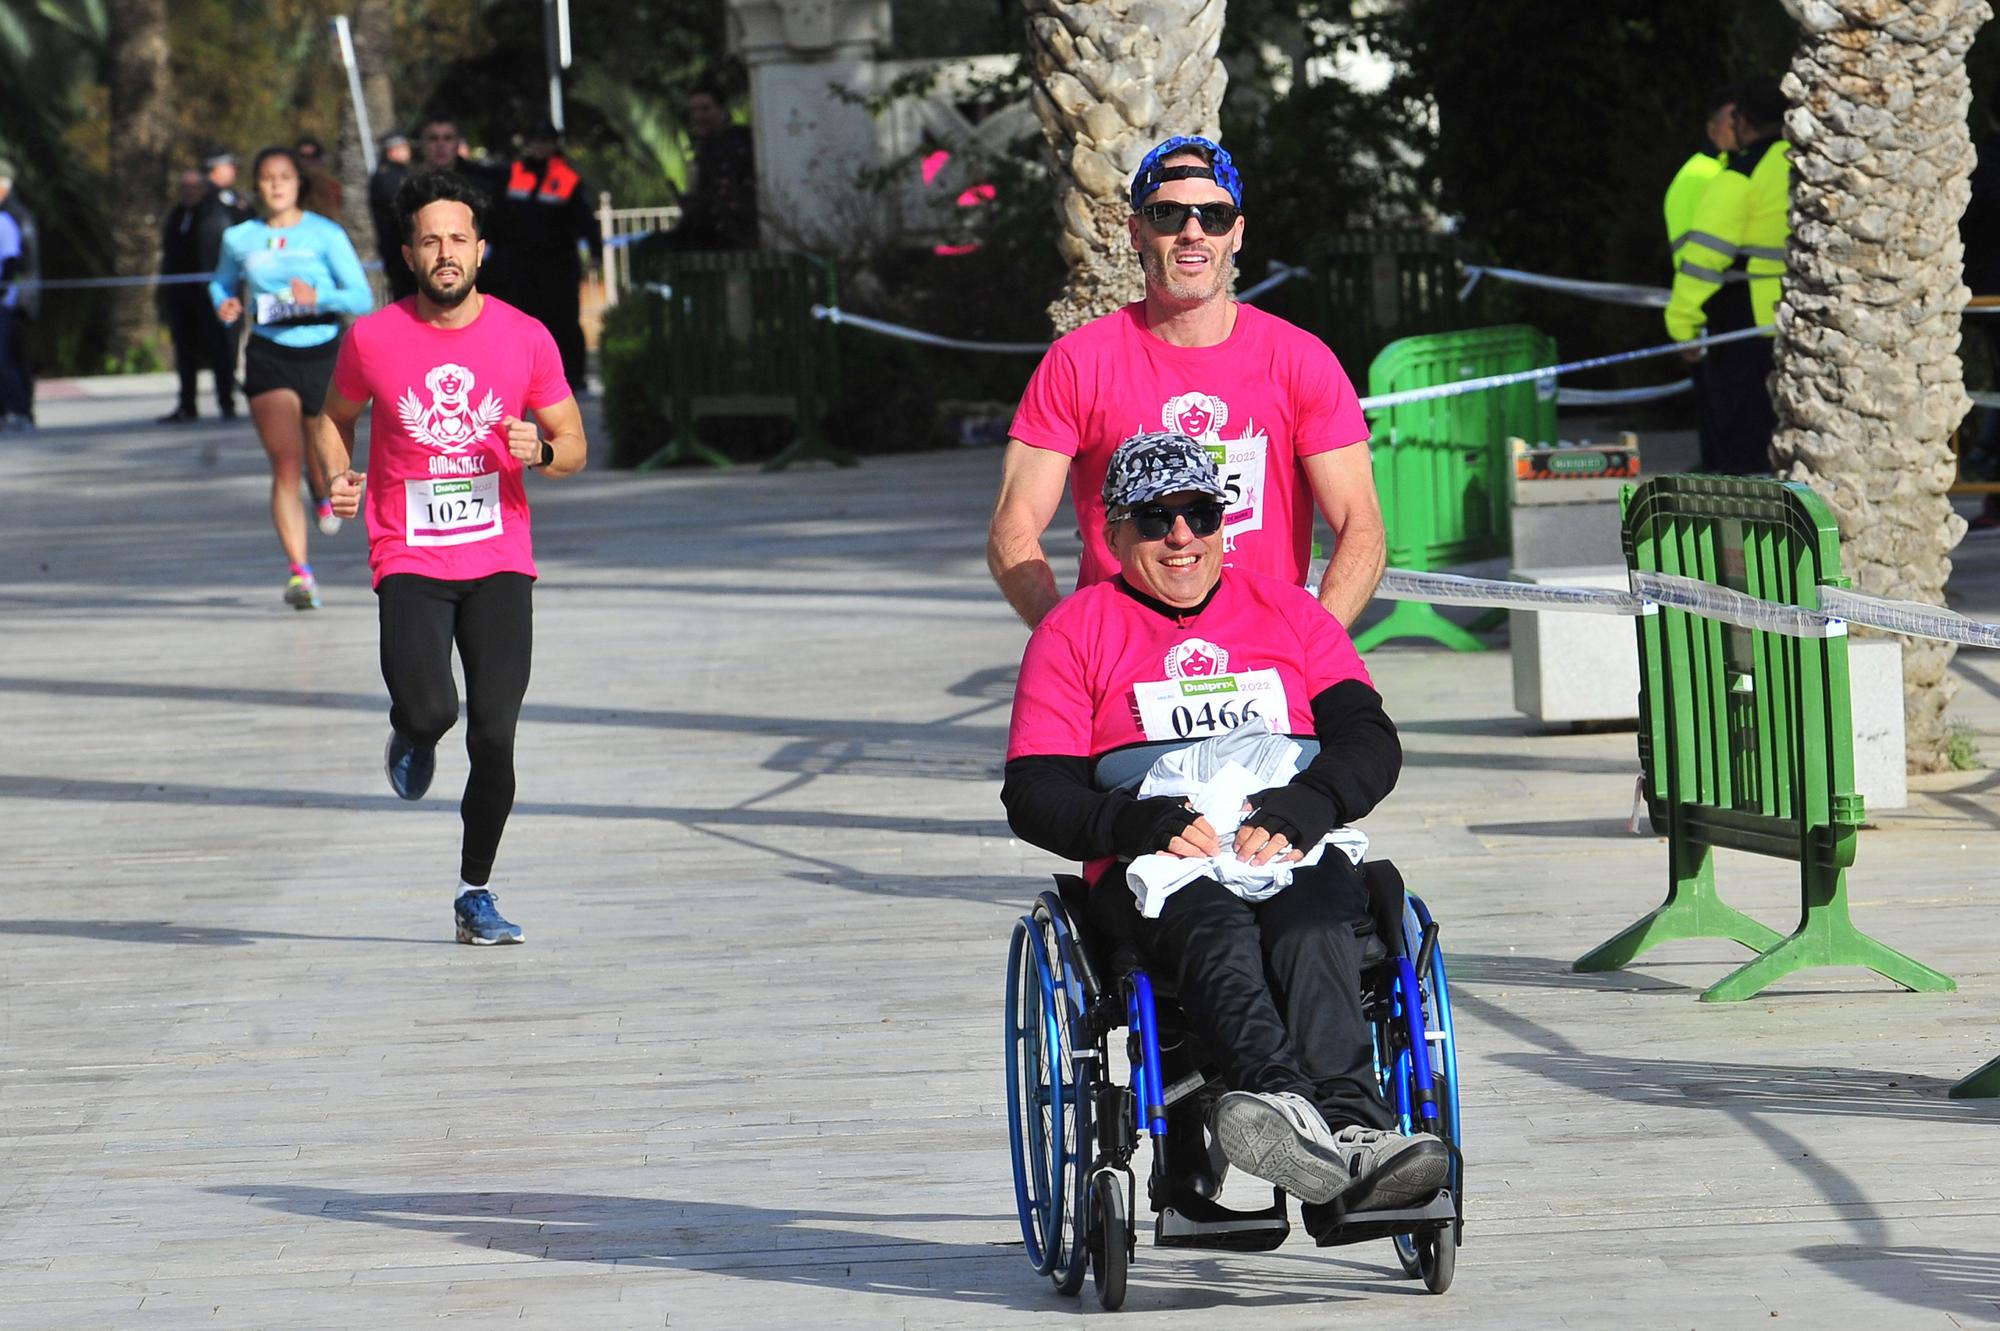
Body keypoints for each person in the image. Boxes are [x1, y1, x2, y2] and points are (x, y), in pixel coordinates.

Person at [1002, 430, 1446, 1238]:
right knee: (1214, 930)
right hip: (1159, 868)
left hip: (1286, 845)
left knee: (1316, 922)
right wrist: (1130, 822)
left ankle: (1352, 1129)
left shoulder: (1291, 614)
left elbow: (1369, 739)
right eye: (1156, 518)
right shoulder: (1073, 633)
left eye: (1200, 514)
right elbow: (1032, 791)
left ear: (1223, 525)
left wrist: (1310, 803)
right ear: (1116, 534)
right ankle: (1278, 1107)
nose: (1181, 535)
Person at [311, 168, 588, 945]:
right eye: (430, 239)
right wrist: (337, 476)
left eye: (458, 238)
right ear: (408, 254)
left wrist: (542, 450)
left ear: (480, 249)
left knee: (494, 733)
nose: (445, 251)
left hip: (501, 556)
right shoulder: (372, 337)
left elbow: (574, 447)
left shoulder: (525, 335)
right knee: (434, 710)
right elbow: (330, 419)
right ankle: (411, 730)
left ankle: (476, 892)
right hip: (410, 558)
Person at [988, 135, 1383, 631]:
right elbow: (1013, 524)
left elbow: (1361, 524)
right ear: (1136, 232)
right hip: (1123, 661)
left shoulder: (1300, 359)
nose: (1193, 232)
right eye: (1168, 214)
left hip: (1266, 657)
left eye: (1212, 216)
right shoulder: (1078, 362)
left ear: (1236, 233)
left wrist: (1313, 646)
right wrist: (1066, 644)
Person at [209, 146, 373, 608]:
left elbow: (360, 297)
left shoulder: (325, 234)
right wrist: (223, 304)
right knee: (284, 462)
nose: (277, 185)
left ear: (298, 183)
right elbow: (220, 282)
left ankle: (321, 492)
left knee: (321, 465)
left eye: (284, 176)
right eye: (267, 178)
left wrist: (316, 296)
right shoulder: (240, 238)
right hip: (268, 353)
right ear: (257, 186)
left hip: (322, 353)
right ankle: (301, 573)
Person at [1666, 77, 1792, 477]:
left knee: (1744, 444)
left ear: (1741, 121)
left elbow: (1703, 261)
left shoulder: (1739, 177)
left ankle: (1752, 535)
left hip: (1746, 325)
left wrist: (1683, 324)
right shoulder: (1811, 162)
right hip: (1808, 318)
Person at [498, 119, 601, 389]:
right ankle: (527, 378)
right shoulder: (514, 173)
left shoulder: (567, 178)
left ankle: (574, 377)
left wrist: (596, 252)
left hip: (560, 264)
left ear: (554, 144)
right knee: (524, 323)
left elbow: (586, 221)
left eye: (545, 141)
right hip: (523, 264)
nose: (539, 146)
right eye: (534, 141)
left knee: (565, 321)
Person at [159, 169, 226, 422]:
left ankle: (225, 400)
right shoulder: (176, 216)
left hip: (208, 293)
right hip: (180, 294)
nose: (188, 193)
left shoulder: (213, 215)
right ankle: (187, 404)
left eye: (194, 188)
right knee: (184, 350)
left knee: (218, 349)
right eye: (184, 188)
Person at [667, 83, 757, 250]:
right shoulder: (703, 147)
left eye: (706, 109)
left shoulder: (741, 140)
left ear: (722, 110)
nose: (699, 116)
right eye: (695, 110)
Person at [0, 160, 39, 430]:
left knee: (5, 360)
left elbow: (14, 263)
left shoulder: (7, 221)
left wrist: (6, 290)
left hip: (4, 303)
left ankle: (21, 411)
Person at [369, 131, 416, 300]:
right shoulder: (387, 177)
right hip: (396, 250)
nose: (408, 151)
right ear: (392, 151)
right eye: (403, 147)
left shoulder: (402, 173)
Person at [295, 136, 346, 218]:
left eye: (312, 156)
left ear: (320, 159)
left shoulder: (334, 189)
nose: (307, 162)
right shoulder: (289, 189)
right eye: (302, 156)